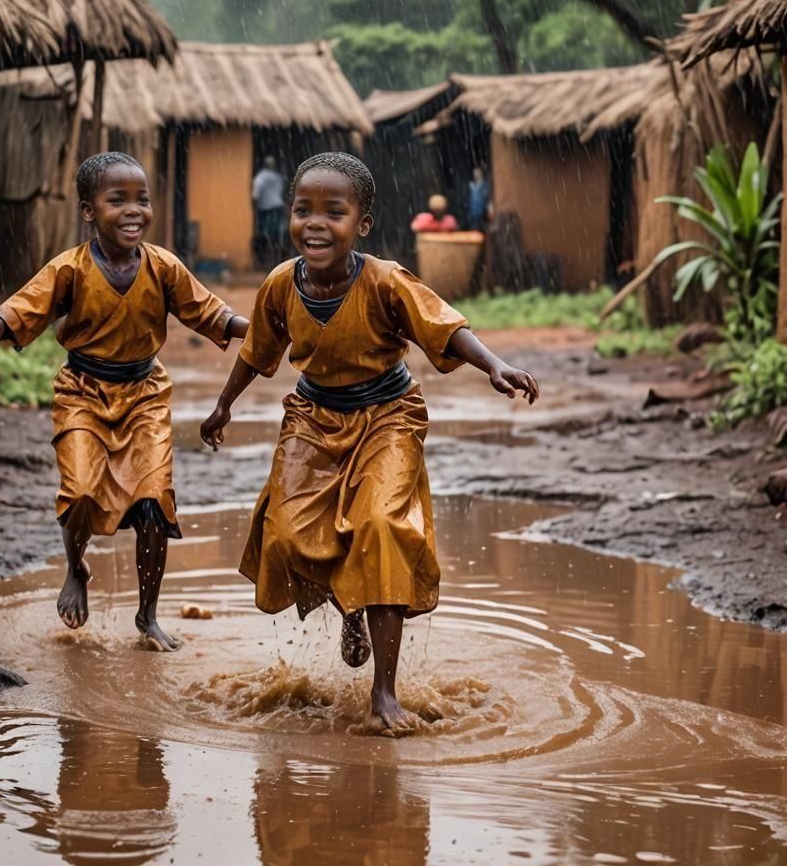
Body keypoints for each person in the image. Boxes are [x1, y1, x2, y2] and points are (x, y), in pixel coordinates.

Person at [200, 152, 538, 735]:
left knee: (382, 528)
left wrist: (494, 366)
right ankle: (348, 608)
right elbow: (257, 351)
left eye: (334, 211)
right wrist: (224, 404)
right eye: (302, 209)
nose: (314, 223)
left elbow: (445, 327)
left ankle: (384, 690)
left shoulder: (384, 279)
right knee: (286, 533)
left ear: (362, 224)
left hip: (387, 416)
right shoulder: (282, 285)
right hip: (313, 416)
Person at [0, 152, 248, 652]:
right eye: (118, 200)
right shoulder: (69, 268)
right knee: (78, 491)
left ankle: (147, 615)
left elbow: (210, 312)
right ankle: (76, 567)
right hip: (82, 392)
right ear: (89, 211)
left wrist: (264, 328)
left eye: (142, 199)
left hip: (145, 396)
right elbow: (27, 303)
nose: (134, 210)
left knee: (156, 503)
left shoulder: (163, 267)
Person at [252, 155, 287, 265]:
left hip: (264, 208)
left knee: (263, 232)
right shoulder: (278, 177)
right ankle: (278, 256)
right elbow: (282, 192)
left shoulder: (260, 177)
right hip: (277, 207)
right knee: (277, 232)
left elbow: (255, 194)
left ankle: (263, 258)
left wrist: (254, 206)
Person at [466, 165, 491, 233]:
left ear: (481, 173)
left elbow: (487, 198)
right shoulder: (471, 185)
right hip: (472, 213)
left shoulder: (485, 185)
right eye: (475, 173)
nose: (476, 175)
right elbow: (468, 199)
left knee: (482, 232)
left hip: (482, 213)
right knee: (473, 231)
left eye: (477, 173)